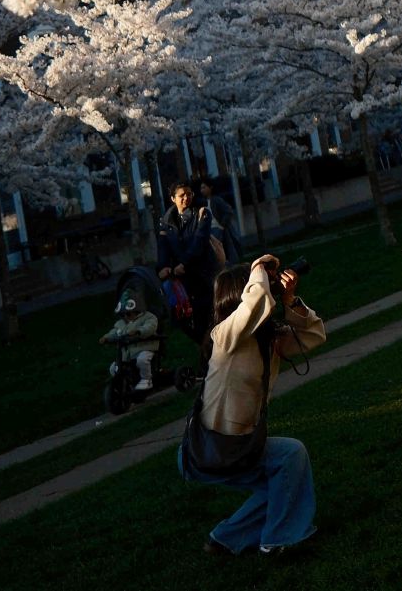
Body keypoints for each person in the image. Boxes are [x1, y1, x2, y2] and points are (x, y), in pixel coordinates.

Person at [180, 254, 325, 556]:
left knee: (283, 482)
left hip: (236, 446)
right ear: (240, 295)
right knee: (290, 456)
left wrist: (290, 298)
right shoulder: (225, 338)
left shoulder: (266, 339)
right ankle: (278, 540)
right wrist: (258, 270)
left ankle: (224, 540)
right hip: (210, 448)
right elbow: (255, 304)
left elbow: (312, 336)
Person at [159, 180, 222, 348]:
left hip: (203, 274)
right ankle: (207, 349)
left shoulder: (201, 213)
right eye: (181, 195)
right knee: (181, 318)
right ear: (173, 198)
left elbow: (199, 242)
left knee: (207, 315)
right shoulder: (167, 220)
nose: (186, 198)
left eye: (189, 194)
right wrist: (163, 266)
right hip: (182, 278)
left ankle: (211, 353)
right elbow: (164, 246)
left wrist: (184, 263)